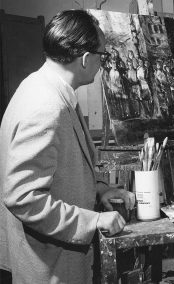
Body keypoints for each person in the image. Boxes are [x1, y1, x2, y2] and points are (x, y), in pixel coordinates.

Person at [0, 10, 135, 284]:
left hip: (54, 259)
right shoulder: (46, 106)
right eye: (103, 55)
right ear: (85, 58)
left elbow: (59, 170)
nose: (102, 63)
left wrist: (100, 189)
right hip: (50, 266)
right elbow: (23, 197)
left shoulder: (44, 88)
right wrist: (93, 221)